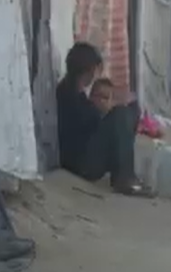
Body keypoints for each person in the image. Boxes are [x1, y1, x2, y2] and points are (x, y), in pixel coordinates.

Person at [56, 43, 152, 197]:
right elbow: (90, 123)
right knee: (121, 115)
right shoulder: (69, 96)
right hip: (81, 164)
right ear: (90, 70)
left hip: (82, 157)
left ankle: (124, 174)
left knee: (128, 112)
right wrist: (109, 111)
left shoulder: (70, 91)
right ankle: (124, 178)